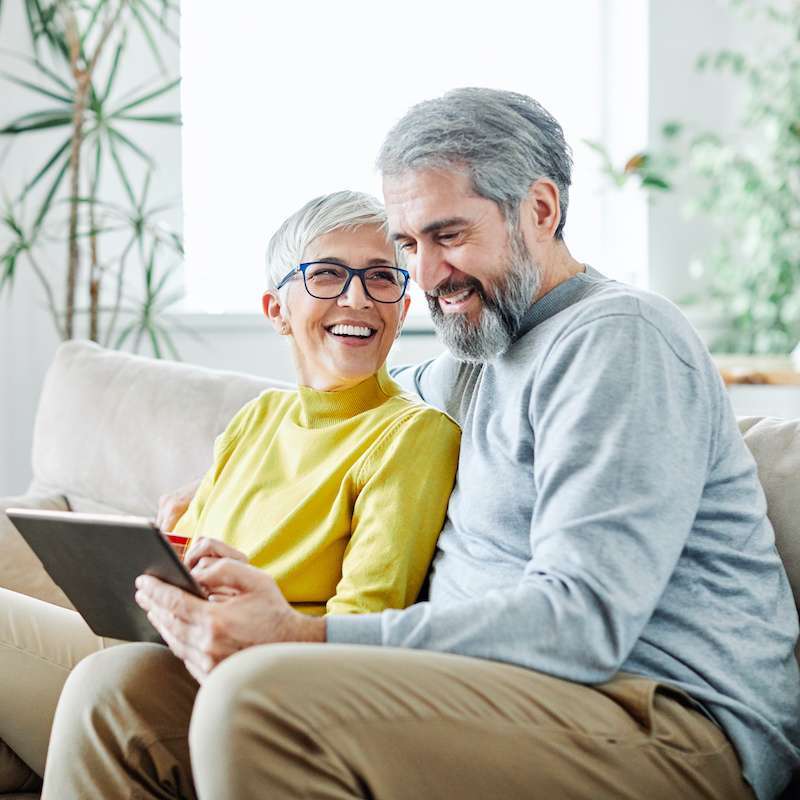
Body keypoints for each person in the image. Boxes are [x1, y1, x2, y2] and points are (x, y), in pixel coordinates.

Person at [42, 88, 799, 800]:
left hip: (662, 718)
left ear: (541, 208)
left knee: (258, 695)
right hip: (500, 693)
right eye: (409, 242)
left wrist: (305, 633)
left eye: (449, 235)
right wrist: (214, 512)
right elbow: (344, 399)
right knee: (120, 693)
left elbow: (584, 623)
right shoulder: (476, 355)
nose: (427, 276)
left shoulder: (617, 340)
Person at [0, 190, 459, 793]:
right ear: (277, 310)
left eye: (381, 278)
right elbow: (200, 558)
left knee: (104, 683)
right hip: (160, 644)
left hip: (250, 684)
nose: (358, 298)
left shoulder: (413, 434)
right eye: (326, 275)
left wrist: (254, 610)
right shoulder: (259, 416)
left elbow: (364, 627)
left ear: (402, 307)